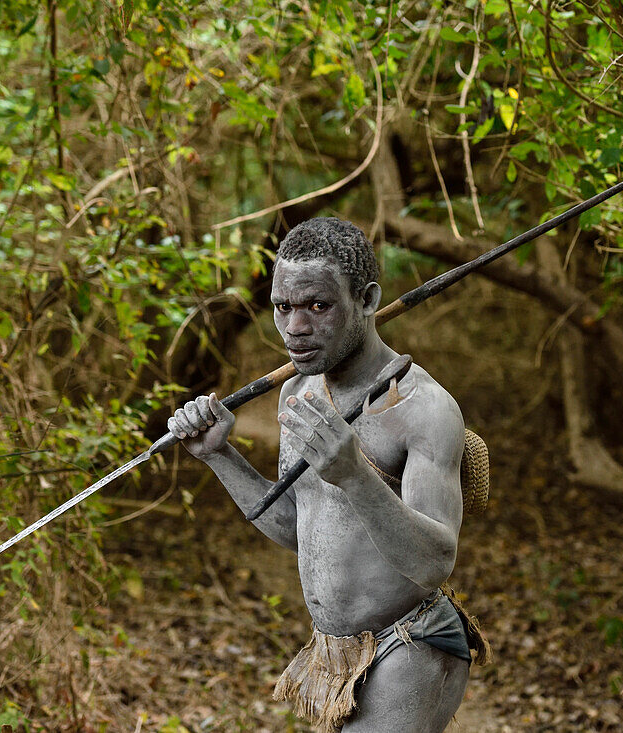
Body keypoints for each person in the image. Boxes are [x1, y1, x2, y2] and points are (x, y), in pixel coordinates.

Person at [167, 217, 484, 732]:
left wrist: (355, 474)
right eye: (282, 307)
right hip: (335, 656)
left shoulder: (423, 409)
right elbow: (297, 527)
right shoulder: (299, 393)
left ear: (367, 299)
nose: (295, 328)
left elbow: (433, 562)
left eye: (318, 306)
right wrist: (219, 456)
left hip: (409, 647)